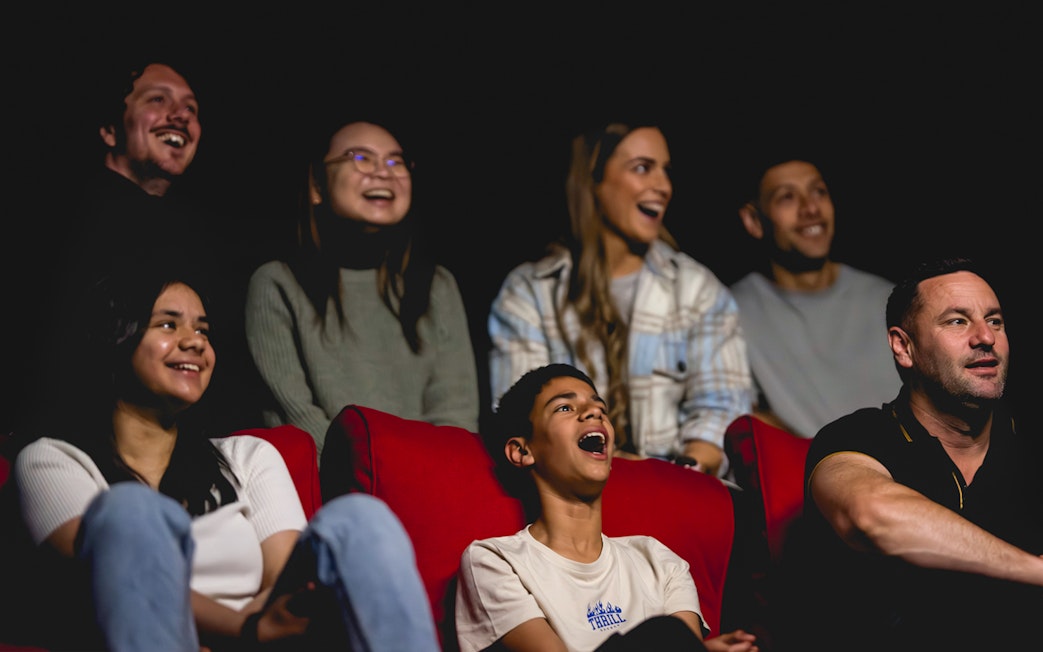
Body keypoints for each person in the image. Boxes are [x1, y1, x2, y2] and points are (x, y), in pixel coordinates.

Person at [10, 265, 440, 651]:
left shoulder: (247, 456)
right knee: (132, 511)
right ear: (117, 336)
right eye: (167, 324)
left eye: (203, 330)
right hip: (153, 636)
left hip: (261, 641)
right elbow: (104, 579)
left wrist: (256, 633)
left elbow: (282, 586)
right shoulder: (51, 460)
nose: (194, 342)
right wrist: (240, 628)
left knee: (360, 519)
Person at [781, 257, 1043, 651]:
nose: (984, 337)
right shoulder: (858, 436)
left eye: (995, 321)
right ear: (904, 347)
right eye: (957, 321)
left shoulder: (1028, 446)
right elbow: (871, 515)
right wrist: (1036, 570)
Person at [487, 122, 753, 478]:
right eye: (643, 168)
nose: (663, 186)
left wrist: (677, 474)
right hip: (566, 497)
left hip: (676, 489)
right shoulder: (530, 292)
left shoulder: (696, 289)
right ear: (593, 182)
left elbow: (722, 410)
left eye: (665, 171)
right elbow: (522, 418)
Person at [23, 57, 261, 437]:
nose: (180, 116)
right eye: (157, 100)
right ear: (109, 129)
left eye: (191, 108)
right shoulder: (57, 218)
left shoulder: (199, 238)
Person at [455, 363, 758, 651]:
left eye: (600, 408)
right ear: (523, 451)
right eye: (565, 407)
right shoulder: (495, 562)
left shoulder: (659, 561)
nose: (594, 413)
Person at [245, 118, 479, 456]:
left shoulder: (437, 286)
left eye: (396, 161)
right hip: (336, 490)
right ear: (317, 186)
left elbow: (456, 413)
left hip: (428, 486)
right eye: (360, 158)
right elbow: (294, 417)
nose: (383, 172)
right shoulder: (277, 284)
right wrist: (372, 476)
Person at [729, 157, 899, 439]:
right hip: (807, 477)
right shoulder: (728, 313)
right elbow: (728, 413)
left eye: (818, 192)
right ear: (754, 221)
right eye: (787, 197)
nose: (810, 209)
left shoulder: (888, 301)